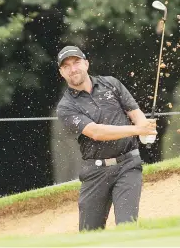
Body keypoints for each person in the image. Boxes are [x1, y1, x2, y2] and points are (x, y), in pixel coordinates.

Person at [56, 45, 157, 231]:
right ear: (62, 72)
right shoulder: (66, 106)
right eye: (67, 66)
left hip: (128, 165)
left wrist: (146, 130)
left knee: (126, 226)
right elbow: (96, 132)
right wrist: (137, 130)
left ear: (86, 63)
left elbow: (135, 112)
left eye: (76, 62)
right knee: (89, 234)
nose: (73, 69)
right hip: (95, 173)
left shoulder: (111, 83)